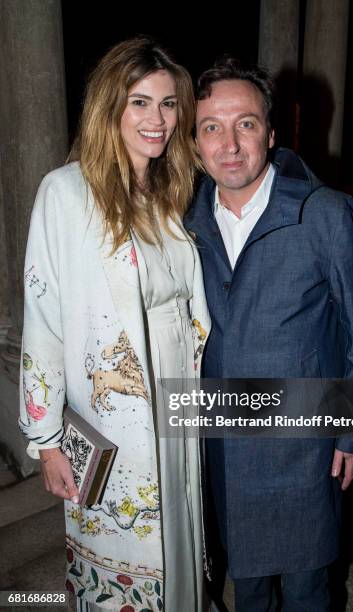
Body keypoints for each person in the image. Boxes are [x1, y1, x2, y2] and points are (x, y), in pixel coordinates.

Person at [19, 37, 210, 612]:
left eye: (169, 104)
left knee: (179, 521)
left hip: (179, 389)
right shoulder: (67, 192)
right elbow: (44, 318)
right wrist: (46, 441)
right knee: (126, 535)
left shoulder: (167, 191)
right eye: (140, 102)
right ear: (110, 108)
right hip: (117, 406)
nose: (158, 119)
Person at [185, 58, 353, 612]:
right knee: (245, 584)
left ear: (270, 134)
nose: (229, 144)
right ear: (195, 142)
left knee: (307, 587)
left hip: (303, 444)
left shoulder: (324, 213)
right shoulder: (185, 223)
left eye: (245, 124)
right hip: (223, 442)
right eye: (211, 128)